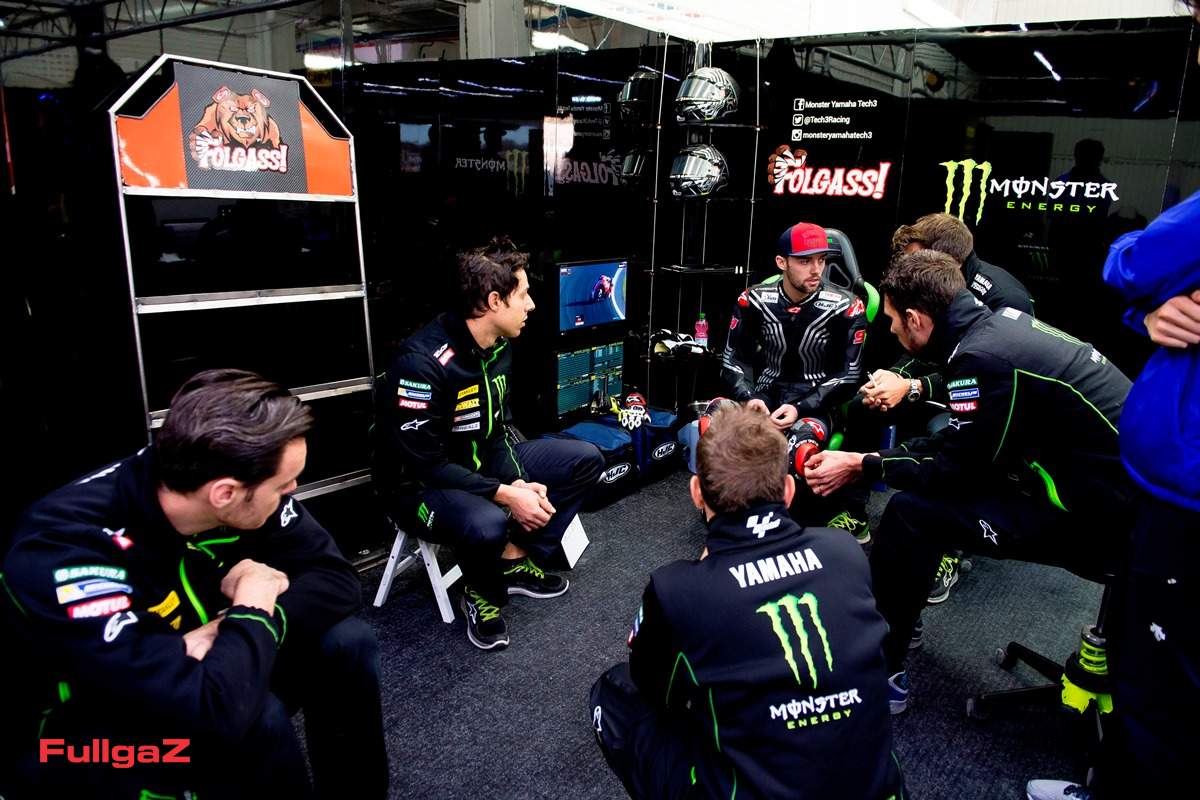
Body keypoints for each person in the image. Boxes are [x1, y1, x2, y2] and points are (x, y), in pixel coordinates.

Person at [0, 369, 387, 799]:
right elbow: (202, 710)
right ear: (225, 494)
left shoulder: (228, 470)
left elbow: (337, 581)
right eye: (282, 487)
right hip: (85, 740)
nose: (292, 490)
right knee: (258, 719)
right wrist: (252, 603)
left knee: (347, 642)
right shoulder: (67, 548)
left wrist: (242, 622)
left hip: (204, 665)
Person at [803, 250, 1135, 715]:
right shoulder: (997, 328)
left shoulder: (982, 358)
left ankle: (881, 671)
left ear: (917, 319)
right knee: (925, 492)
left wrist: (863, 464)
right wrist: (881, 454)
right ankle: (899, 617)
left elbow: (952, 470)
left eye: (894, 321)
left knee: (912, 514)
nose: (892, 331)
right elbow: (965, 443)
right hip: (1116, 496)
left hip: (1107, 526)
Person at [589, 404, 904, 800]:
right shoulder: (845, 550)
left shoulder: (677, 590)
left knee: (613, 691)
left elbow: (657, 692)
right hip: (880, 791)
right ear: (788, 490)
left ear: (696, 493)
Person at [1027, 141, 1200, 800]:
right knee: (1148, 665)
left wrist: (1141, 300)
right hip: (1173, 484)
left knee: (1160, 686)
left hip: (1186, 497)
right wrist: (1146, 313)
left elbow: (1129, 261)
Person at [375, 236, 603, 651]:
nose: (531, 305)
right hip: (417, 488)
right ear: (494, 301)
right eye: (524, 294)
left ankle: (512, 559)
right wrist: (506, 495)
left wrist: (517, 482)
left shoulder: (498, 348)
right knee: (488, 522)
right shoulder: (421, 364)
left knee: (584, 458)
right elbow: (426, 466)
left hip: (477, 464)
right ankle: (480, 593)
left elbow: (498, 430)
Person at [860, 212, 1038, 603]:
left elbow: (985, 375)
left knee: (949, 444)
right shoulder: (930, 293)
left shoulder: (1005, 299)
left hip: (1001, 415)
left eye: (917, 259)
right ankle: (854, 510)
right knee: (866, 402)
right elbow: (922, 344)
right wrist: (894, 378)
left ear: (945, 261)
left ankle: (949, 548)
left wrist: (914, 386)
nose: (909, 270)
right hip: (952, 386)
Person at [720, 221, 870, 539]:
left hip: (818, 402)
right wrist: (750, 397)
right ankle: (732, 518)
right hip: (767, 393)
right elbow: (733, 359)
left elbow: (850, 375)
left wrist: (801, 408)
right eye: (805, 261)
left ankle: (784, 530)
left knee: (796, 448)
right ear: (782, 262)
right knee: (719, 423)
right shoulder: (753, 300)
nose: (816, 270)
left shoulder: (847, 306)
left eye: (821, 260)